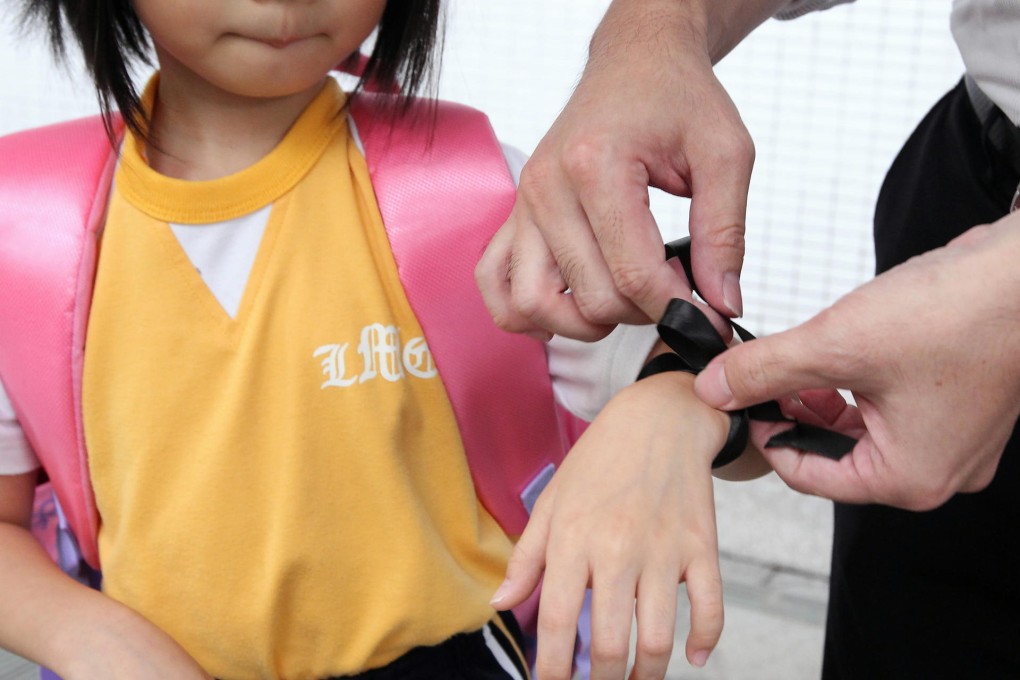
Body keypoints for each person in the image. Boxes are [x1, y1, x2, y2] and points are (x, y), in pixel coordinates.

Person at [0, 1, 782, 678]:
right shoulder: (28, 234)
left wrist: (677, 406)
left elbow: (729, 410)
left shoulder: (474, 196)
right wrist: (86, 635)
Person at [475, 0, 1020, 677]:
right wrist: (653, 27)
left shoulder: (454, 195)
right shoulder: (488, 219)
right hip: (980, 177)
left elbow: (700, 389)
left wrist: (672, 400)